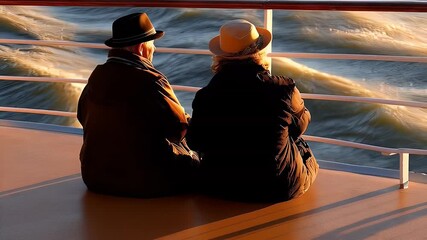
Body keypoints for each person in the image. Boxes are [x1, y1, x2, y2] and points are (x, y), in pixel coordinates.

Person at [187, 19, 319, 202]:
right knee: (300, 144)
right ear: (259, 52)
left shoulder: (205, 95)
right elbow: (301, 126)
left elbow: (195, 141)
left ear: (220, 56)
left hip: (220, 186)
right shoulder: (283, 89)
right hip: (276, 188)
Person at [77, 12, 199, 198]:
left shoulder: (97, 76)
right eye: (153, 43)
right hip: (145, 183)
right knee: (193, 156)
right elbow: (179, 129)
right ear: (142, 47)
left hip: (95, 177)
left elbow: (81, 115)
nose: (155, 48)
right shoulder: (151, 80)